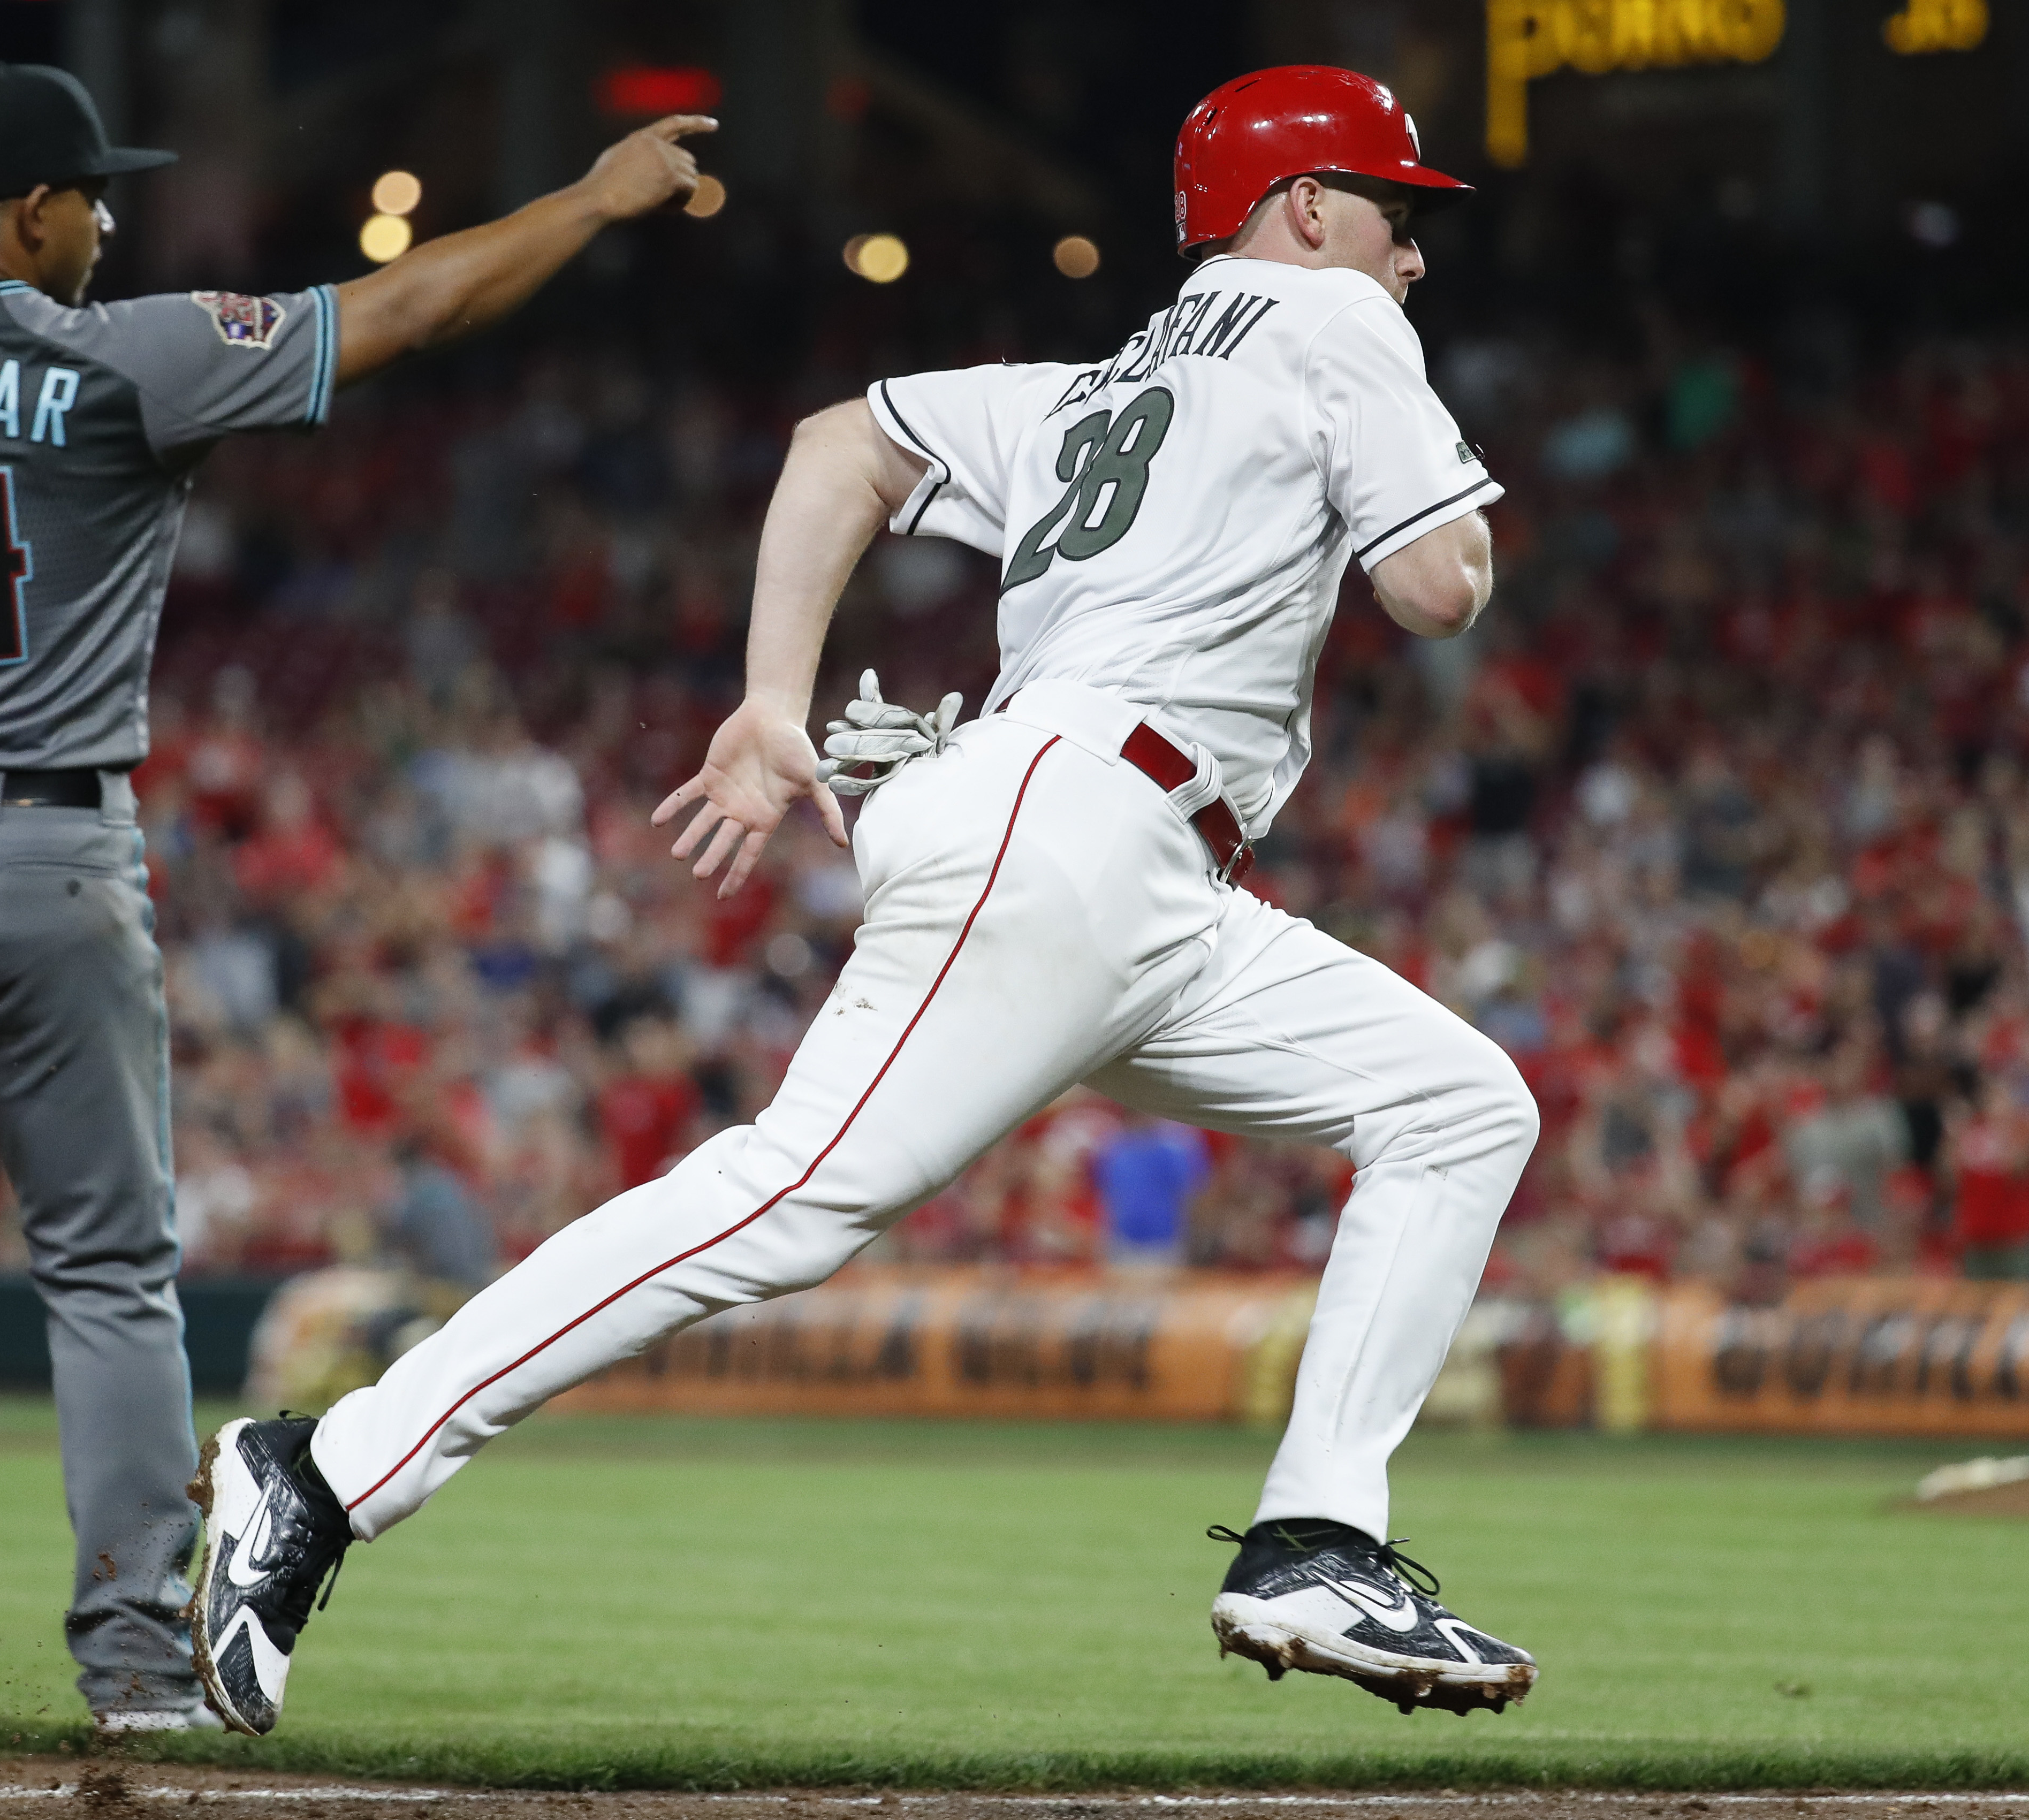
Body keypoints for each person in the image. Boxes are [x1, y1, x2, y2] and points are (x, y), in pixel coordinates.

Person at [191, 65, 1541, 1735]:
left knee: (1455, 1102)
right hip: (1075, 823)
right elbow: (1432, 589)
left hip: (1141, 870)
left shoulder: (1095, 383)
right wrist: (1449, 499)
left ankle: (1318, 1537)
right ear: (1306, 206)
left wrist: (775, 692)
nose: (1411, 256)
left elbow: (845, 442)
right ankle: (321, 1466)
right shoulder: (1331, 323)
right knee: (785, 1198)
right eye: (1392, 214)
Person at [0, 59, 712, 1749]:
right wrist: (583, 200)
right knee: (113, 1269)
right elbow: (407, 304)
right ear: (37, 211)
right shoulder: (114, 353)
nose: (111, 223)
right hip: (47, 853)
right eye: (96, 198)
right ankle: (134, 1661)